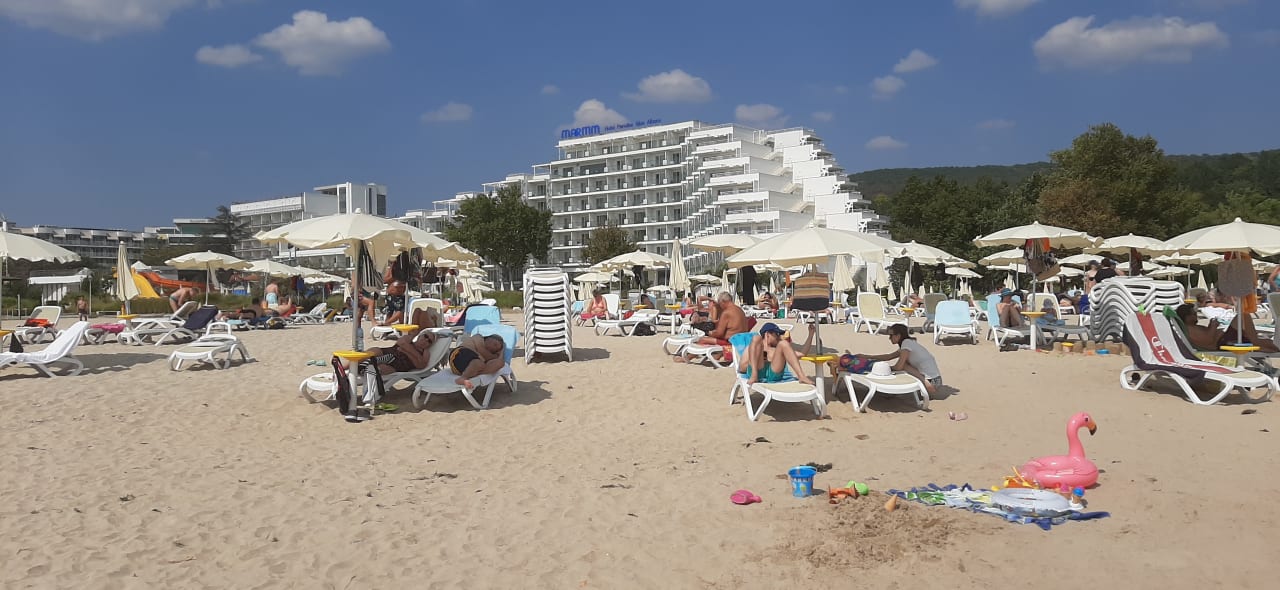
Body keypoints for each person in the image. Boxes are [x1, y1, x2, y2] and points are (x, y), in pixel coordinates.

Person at [865, 323, 943, 394]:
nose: (889, 338)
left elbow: (898, 367)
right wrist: (868, 357)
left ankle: (920, 386)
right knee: (904, 365)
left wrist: (882, 369)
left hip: (932, 383)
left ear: (898, 336)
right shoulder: (909, 343)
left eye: (891, 335)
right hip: (937, 381)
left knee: (904, 365)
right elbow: (888, 356)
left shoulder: (906, 344)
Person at [675, 292, 749, 363]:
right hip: (742, 341)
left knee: (702, 340)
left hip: (732, 342)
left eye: (720, 304)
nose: (720, 306)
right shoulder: (740, 310)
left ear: (723, 302)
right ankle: (718, 355)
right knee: (710, 337)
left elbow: (719, 334)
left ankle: (688, 357)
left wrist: (709, 333)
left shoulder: (726, 313)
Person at [1177, 303, 1277, 353]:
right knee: (1243, 316)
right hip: (1224, 342)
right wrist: (1213, 326)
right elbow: (1209, 340)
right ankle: (1256, 341)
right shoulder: (1190, 329)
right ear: (1187, 317)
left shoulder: (1191, 328)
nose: (1196, 316)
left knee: (1242, 316)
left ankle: (1259, 342)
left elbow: (1206, 338)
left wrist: (1211, 326)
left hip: (1225, 339)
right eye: (1194, 314)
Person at [744, 323, 816, 386]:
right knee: (756, 338)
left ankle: (801, 376)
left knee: (784, 343)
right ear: (767, 334)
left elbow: (802, 354)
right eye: (777, 334)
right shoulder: (754, 346)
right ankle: (754, 374)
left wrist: (811, 334)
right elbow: (742, 366)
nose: (779, 337)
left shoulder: (777, 349)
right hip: (756, 371)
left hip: (773, 375)